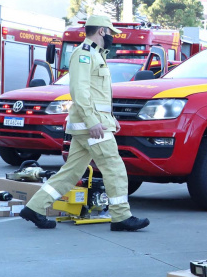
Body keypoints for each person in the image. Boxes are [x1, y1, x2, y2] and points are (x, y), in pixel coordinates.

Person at [20, 15, 149, 231]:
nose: (112, 38)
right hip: (91, 126)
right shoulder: (85, 55)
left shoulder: (96, 55)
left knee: (71, 172)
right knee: (115, 168)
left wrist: (111, 119)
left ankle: (35, 207)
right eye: (110, 33)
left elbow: (99, 94)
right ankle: (120, 217)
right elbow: (80, 91)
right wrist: (93, 121)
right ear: (101, 31)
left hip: (92, 124)